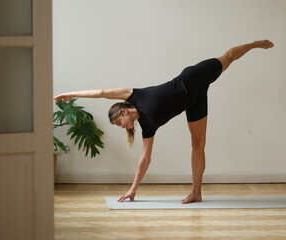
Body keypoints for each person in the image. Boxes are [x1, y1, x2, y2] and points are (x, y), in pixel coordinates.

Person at [54, 40, 274, 204]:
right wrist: (133, 189)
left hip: (191, 79)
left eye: (119, 124)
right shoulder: (148, 127)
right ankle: (196, 192)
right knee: (198, 145)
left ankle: (255, 44)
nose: (122, 128)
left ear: (123, 112)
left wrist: (72, 93)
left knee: (228, 56)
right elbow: (145, 158)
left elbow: (102, 92)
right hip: (194, 102)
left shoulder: (134, 96)